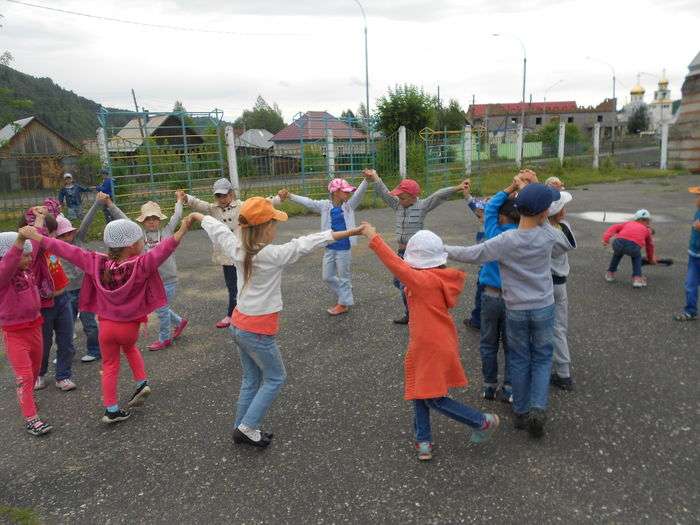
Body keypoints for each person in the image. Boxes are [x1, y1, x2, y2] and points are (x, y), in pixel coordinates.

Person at [190, 197, 362, 448]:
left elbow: (217, 228)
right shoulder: (274, 254)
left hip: (238, 325)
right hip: (258, 330)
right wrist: (353, 230)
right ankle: (248, 428)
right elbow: (309, 242)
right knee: (275, 378)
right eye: (273, 223)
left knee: (251, 378)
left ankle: (242, 426)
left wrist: (198, 217)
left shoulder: (235, 246)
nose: (276, 228)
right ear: (265, 227)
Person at [19, 216, 193, 424]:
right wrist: (182, 230)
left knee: (110, 365)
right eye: (140, 240)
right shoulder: (141, 264)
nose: (143, 244)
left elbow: (65, 250)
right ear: (131, 245)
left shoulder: (95, 262)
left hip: (106, 328)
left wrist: (37, 236)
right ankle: (141, 382)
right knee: (130, 349)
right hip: (129, 327)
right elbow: (163, 250)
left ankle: (111, 410)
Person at [444, 181, 574, 438]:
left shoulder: (506, 240)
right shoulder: (547, 234)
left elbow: (472, 254)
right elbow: (565, 245)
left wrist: (441, 248)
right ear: (543, 213)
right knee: (542, 357)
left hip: (515, 307)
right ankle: (538, 407)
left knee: (518, 357)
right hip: (543, 307)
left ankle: (521, 411)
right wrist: (545, 219)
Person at [360, 223, 499, 460]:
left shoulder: (424, 281)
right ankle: (423, 439)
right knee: (418, 390)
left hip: (430, 346)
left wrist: (374, 238)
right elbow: (404, 272)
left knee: (432, 397)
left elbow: (397, 266)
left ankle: (481, 422)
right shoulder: (435, 277)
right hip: (431, 342)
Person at [363, 169, 468, 324]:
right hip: (400, 252)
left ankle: (413, 314)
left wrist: (458, 187)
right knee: (399, 282)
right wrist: (375, 177)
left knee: (405, 284)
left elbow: (438, 195)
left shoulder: (422, 206)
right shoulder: (398, 205)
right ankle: (415, 309)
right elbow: (385, 193)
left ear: (413, 197)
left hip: (414, 254)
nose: (399, 199)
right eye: (398, 196)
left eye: (402, 197)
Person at [277, 176, 368, 315]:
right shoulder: (325, 205)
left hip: (344, 249)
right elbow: (309, 202)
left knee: (344, 277)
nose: (348, 193)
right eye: (345, 191)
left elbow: (359, 194)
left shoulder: (349, 206)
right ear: (335, 192)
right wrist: (290, 195)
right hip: (330, 247)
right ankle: (346, 291)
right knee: (327, 276)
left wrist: (366, 180)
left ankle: (343, 303)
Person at [0, 231, 53, 436]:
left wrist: (35, 229)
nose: (29, 258)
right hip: (15, 333)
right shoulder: (3, 275)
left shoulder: (27, 270)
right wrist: (20, 242)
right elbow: (8, 264)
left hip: (35, 327)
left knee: (35, 370)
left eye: (29, 255)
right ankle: (31, 419)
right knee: (24, 376)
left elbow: (36, 249)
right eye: (24, 254)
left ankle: (28, 401)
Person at [473, 179, 520, 403]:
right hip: (515, 298)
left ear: (501, 217)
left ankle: (489, 385)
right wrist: (523, 189)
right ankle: (510, 387)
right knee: (512, 345)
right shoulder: (523, 235)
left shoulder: (494, 233)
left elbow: (490, 206)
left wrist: (511, 186)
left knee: (488, 343)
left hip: (491, 296)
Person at [56, 194, 110, 364]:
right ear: (55, 237)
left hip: (86, 289)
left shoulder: (77, 240)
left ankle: (94, 350)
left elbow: (87, 221)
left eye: (68, 233)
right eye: (62, 235)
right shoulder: (55, 248)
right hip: (66, 292)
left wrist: (97, 202)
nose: (67, 237)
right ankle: (64, 354)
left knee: (89, 323)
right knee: (64, 327)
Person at [28, 208, 77, 392]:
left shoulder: (52, 244)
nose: (49, 236)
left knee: (66, 341)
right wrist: (38, 220)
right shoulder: (32, 253)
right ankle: (39, 373)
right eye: (45, 232)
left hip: (63, 299)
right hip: (44, 305)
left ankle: (63, 375)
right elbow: (35, 241)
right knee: (43, 343)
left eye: (51, 232)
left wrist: (50, 212)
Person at [133, 192, 188, 350]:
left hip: (168, 279)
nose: (152, 222)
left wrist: (179, 200)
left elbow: (177, 216)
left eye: (155, 218)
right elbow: (123, 217)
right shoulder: (140, 235)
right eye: (148, 219)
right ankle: (179, 322)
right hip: (150, 280)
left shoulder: (167, 232)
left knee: (162, 310)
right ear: (143, 221)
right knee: (159, 307)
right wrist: (109, 204)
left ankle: (165, 338)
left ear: (159, 220)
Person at [184, 178, 242, 328]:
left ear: (232, 193)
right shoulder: (213, 208)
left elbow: (261, 203)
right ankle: (233, 314)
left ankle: (238, 314)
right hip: (226, 256)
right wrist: (187, 198)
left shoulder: (241, 205)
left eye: (225, 195)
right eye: (218, 196)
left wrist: (278, 199)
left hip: (242, 251)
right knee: (232, 286)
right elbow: (198, 204)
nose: (222, 199)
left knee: (244, 284)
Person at [547, 191, 577, 391]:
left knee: (542, 327)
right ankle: (563, 372)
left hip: (546, 285)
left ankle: (543, 364)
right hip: (561, 283)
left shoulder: (543, 232)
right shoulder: (564, 229)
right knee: (559, 328)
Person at [602, 209, 657, 288]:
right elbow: (650, 246)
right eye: (648, 221)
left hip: (618, 243)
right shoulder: (646, 230)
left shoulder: (628, 223)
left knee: (617, 254)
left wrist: (606, 239)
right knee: (637, 257)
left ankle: (610, 273)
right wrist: (650, 259)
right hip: (633, 246)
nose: (648, 223)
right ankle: (637, 278)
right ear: (642, 220)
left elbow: (614, 227)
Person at [674, 186, 700, 321]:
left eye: (699, 196)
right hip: (694, 255)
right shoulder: (698, 211)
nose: (697, 199)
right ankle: (691, 311)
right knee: (690, 284)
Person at [462, 194, 487, 332]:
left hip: (486, 266)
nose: (478, 217)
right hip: (484, 266)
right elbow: (476, 208)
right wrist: (467, 196)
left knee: (482, 294)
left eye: (480, 215)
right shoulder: (486, 220)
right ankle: (478, 319)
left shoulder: (492, 228)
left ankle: (478, 321)